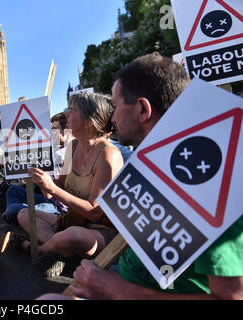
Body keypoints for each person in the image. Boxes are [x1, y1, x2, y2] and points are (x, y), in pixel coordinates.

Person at [40, 52, 243, 300]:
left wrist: (118, 290)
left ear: (142, 109)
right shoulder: (148, 163)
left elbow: (233, 297)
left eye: (115, 107)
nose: (112, 118)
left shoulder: (216, 183)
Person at [17, 92, 124, 261]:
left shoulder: (108, 155)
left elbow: (94, 213)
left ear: (89, 122)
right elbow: (58, 186)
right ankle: (62, 252)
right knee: (24, 214)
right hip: (71, 220)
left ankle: (43, 249)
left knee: (72, 236)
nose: (67, 115)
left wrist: (51, 188)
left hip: (100, 230)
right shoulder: (72, 147)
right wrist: (41, 180)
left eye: (72, 110)